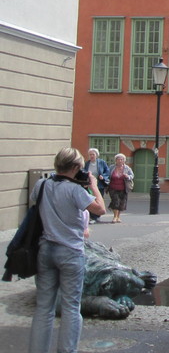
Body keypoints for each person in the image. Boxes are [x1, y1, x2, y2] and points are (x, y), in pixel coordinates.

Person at [28, 147, 105, 353]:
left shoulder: (41, 184)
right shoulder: (75, 191)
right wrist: (93, 186)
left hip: (46, 249)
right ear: (76, 167)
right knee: (71, 307)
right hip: (70, 252)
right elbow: (100, 209)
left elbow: (36, 202)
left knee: (44, 307)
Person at [83, 148, 110, 223]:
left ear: (96, 155)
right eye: (90, 155)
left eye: (93, 154)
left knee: (98, 199)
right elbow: (83, 172)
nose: (91, 156)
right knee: (90, 200)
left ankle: (96, 217)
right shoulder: (87, 163)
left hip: (99, 185)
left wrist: (103, 176)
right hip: (89, 185)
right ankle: (91, 216)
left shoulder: (101, 162)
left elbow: (107, 171)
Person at [107, 153, 134, 224]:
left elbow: (132, 175)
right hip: (113, 188)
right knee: (115, 201)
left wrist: (128, 176)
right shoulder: (112, 167)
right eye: (118, 159)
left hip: (123, 188)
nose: (120, 161)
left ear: (124, 160)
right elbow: (107, 175)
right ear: (116, 160)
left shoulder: (127, 168)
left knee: (122, 203)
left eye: (121, 159)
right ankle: (115, 217)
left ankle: (118, 217)